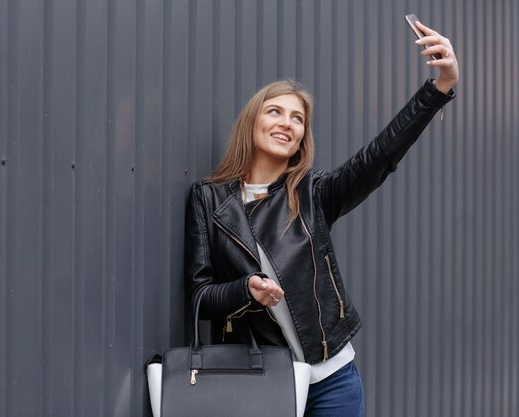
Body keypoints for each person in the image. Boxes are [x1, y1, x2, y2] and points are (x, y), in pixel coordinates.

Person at [184, 21, 459, 417]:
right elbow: (199, 296)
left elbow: (380, 157)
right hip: (262, 381)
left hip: (334, 380)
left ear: (301, 138)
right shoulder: (208, 200)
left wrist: (440, 86)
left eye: (297, 118)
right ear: (252, 122)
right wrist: (246, 290)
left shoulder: (313, 194)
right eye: (275, 110)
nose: (286, 122)